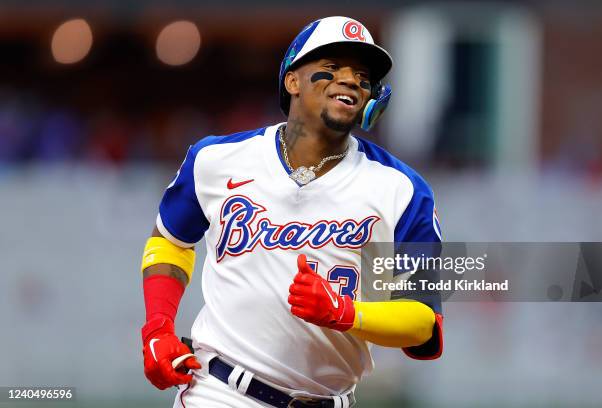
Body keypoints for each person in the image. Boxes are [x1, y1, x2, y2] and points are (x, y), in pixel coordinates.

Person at [140, 16, 444, 408]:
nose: (350, 80)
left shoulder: (405, 190)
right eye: (331, 69)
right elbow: (170, 241)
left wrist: (344, 312)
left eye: (362, 77)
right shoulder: (216, 158)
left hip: (330, 399)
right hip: (221, 391)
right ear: (293, 81)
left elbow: (423, 322)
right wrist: (158, 327)